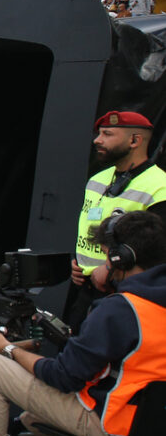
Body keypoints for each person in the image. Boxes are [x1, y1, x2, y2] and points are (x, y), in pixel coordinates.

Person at [0, 211, 166, 436]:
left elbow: (63, 377)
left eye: (106, 256)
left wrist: (8, 348)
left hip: (123, 433)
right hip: (155, 429)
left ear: (122, 258)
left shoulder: (120, 310)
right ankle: (23, 425)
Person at [68, 110, 166, 333]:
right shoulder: (98, 179)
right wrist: (78, 262)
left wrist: (109, 266)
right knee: (71, 347)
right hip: (86, 286)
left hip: (124, 291)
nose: (97, 140)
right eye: (99, 133)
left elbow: (155, 249)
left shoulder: (160, 186)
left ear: (134, 140)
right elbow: (88, 226)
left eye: (107, 134)